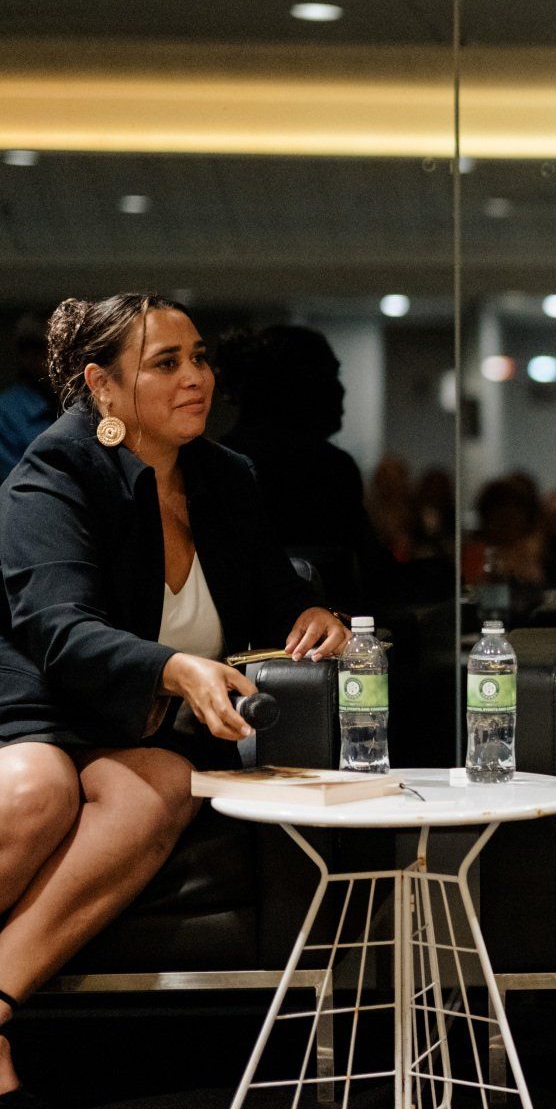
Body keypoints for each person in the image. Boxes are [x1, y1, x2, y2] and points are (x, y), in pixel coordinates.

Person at [0, 295, 347, 1102]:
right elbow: (57, 630)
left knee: (160, 786)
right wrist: (176, 669)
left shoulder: (227, 477)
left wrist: (313, 612)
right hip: (47, 703)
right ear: (105, 387)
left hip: (150, 728)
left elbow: (270, 600)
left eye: (199, 358)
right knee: (38, 789)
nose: (197, 378)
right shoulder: (50, 475)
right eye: (167, 363)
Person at [218, 324, 395, 607]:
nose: (341, 389)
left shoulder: (217, 459)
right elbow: (376, 577)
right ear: (297, 385)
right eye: (330, 375)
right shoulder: (332, 468)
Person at [0, 314, 56, 475]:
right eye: (49, 351)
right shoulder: (6, 414)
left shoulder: (77, 404)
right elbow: (14, 483)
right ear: (27, 355)